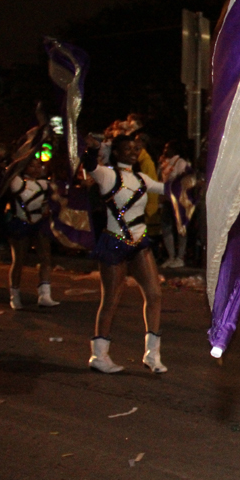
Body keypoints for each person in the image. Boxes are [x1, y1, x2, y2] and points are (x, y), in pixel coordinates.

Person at [82, 134, 168, 374]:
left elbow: (167, 189)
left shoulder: (142, 178)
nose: (133, 151)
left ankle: (153, 354)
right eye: (127, 149)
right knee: (111, 298)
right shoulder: (108, 175)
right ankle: (99, 355)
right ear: (117, 153)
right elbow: (89, 165)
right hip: (114, 243)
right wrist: (93, 149)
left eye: (135, 148)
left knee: (154, 294)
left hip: (139, 243)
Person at [6, 157, 59, 309]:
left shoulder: (44, 184)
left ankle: (45, 295)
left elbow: (59, 193)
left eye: (38, 166)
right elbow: (9, 170)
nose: (36, 169)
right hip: (20, 224)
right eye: (31, 166)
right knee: (19, 260)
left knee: (46, 259)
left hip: (39, 225)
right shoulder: (16, 182)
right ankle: (14, 295)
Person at [158, 139, 192, 268]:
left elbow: (183, 179)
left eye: (168, 147)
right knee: (166, 227)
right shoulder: (165, 163)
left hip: (178, 200)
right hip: (167, 199)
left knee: (180, 228)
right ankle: (171, 256)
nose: (165, 150)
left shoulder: (180, 162)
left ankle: (180, 257)